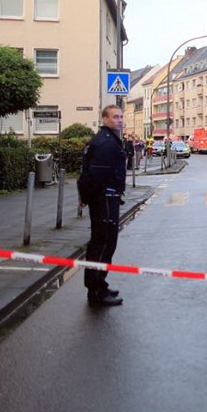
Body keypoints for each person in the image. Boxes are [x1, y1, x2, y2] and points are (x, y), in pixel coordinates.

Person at [77, 105, 127, 307]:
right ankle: (95, 290)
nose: (120, 120)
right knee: (103, 243)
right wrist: (88, 197)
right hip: (104, 198)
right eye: (115, 117)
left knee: (103, 242)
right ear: (105, 119)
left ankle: (100, 284)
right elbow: (95, 174)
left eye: (121, 117)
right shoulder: (106, 143)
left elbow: (87, 172)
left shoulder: (106, 140)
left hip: (105, 197)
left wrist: (85, 196)